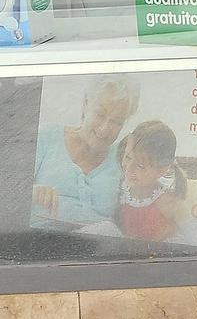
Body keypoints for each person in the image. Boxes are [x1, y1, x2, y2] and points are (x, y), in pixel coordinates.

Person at [31, 76, 141, 229]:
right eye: (100, 115)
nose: (104, 128)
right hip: (39, 240)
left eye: (116, 122)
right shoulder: (46, 136)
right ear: (86, 105)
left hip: (99, 245)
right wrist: (31, 191)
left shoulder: (123, 158)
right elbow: (8, 190)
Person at [116, 120, 187, 242]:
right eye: (127, 157)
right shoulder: (117, 189)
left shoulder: (168, 205)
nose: (128, 168)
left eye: (140, 166)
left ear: (161, 170)